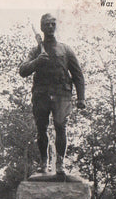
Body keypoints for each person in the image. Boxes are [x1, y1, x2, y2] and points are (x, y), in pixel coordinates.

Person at [19, 13, 86, 175]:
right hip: (41, 94)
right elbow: (22, 70)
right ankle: (44, 162)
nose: (50, 27)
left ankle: (60, 164)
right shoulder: (36, 51)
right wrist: (36, 62)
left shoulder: (65, 49)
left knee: (60, 127)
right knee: (41, 129)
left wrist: (81, 98)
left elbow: (78, 75)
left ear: (56, 26)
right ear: (41, 27)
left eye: (53, 24)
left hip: (62, 94)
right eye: (47, 24)